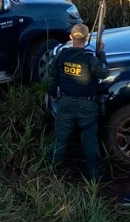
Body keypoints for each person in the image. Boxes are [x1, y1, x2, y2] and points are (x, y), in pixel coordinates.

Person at [45, 22, 110, 181]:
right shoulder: (90, 59)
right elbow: (104, 73)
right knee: (89, 141)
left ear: (70, 37)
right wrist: (101, 53)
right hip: (87, 106)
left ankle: (48, 169)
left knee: (60, 137)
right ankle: (94, 174)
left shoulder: (61, 55)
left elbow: (52, 78)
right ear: (87, 38)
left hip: (65, 103)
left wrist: (53, 94)